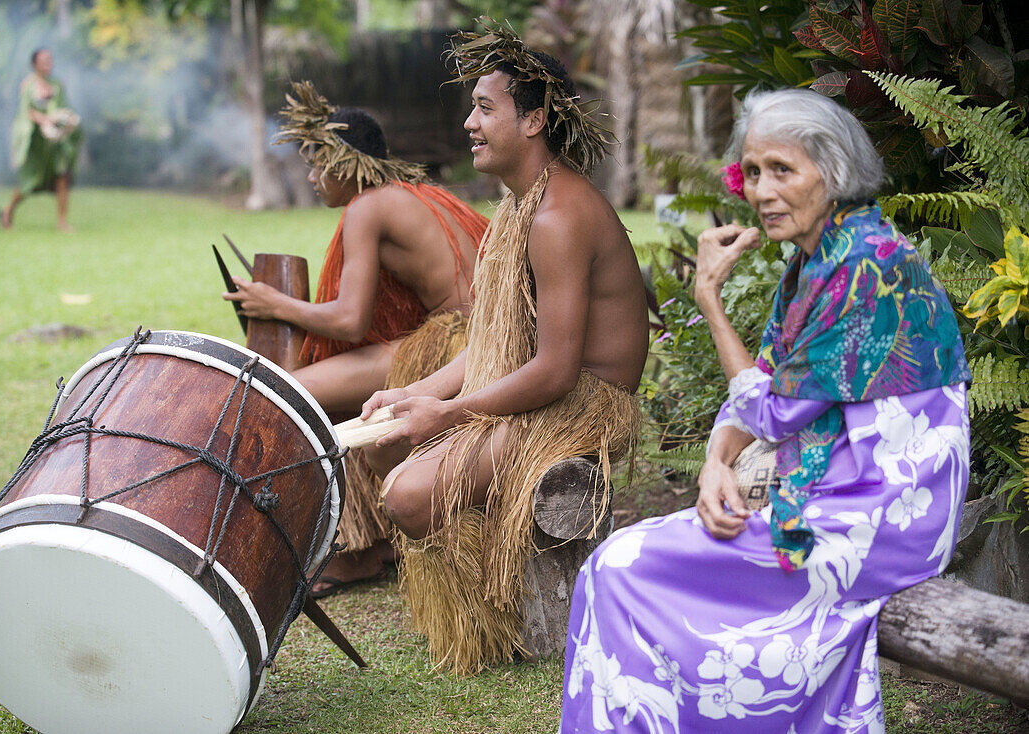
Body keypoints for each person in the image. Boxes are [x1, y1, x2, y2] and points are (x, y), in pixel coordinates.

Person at [560, 88, 971, 732]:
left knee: (618, 567)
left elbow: (772, 411)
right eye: (752, 172)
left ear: (832, 173)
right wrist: (714, 465)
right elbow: (757, 396)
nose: (762, 190)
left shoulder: (870, 266)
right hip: (831, 488)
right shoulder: (816, 261)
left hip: (879, 519)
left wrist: (709, 300)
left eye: (783, 170)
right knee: (617, 569)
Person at [358, 22, 648, 673]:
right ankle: (491, 608)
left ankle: (490, 618)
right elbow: (494, 343)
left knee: (408, 494)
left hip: (585, 401)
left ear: (536, 120)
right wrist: (415, 393)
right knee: (390, 459)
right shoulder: (518, 208)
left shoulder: (556, 217)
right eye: (473, 107)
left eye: (485, 108)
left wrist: (450, 416)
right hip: (550, 387)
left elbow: (554, 370)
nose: (469, 122)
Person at [223, 81, 489, 596]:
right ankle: (371, 542)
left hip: (450, 345)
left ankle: (355, 549)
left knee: (288, 391)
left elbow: (349, 320)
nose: (311, 175)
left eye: (317, 162)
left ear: (346, 163)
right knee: (326, 391)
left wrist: (274, 305)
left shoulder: (366, 208)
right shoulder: (416, 195)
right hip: (471, 339)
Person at [0, 48, 82, 232]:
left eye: (50, 59)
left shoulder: (57, 84)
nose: (48, 63)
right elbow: (26, 111)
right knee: (29, 181)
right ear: (34, 64)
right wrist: (46, 120)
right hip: (36, 143)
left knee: (62, 177)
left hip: (56, 144)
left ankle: (62, 222)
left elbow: (63, 107)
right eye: (44, 60)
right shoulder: (28, 85)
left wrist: (66, 120)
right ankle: (7, 211)